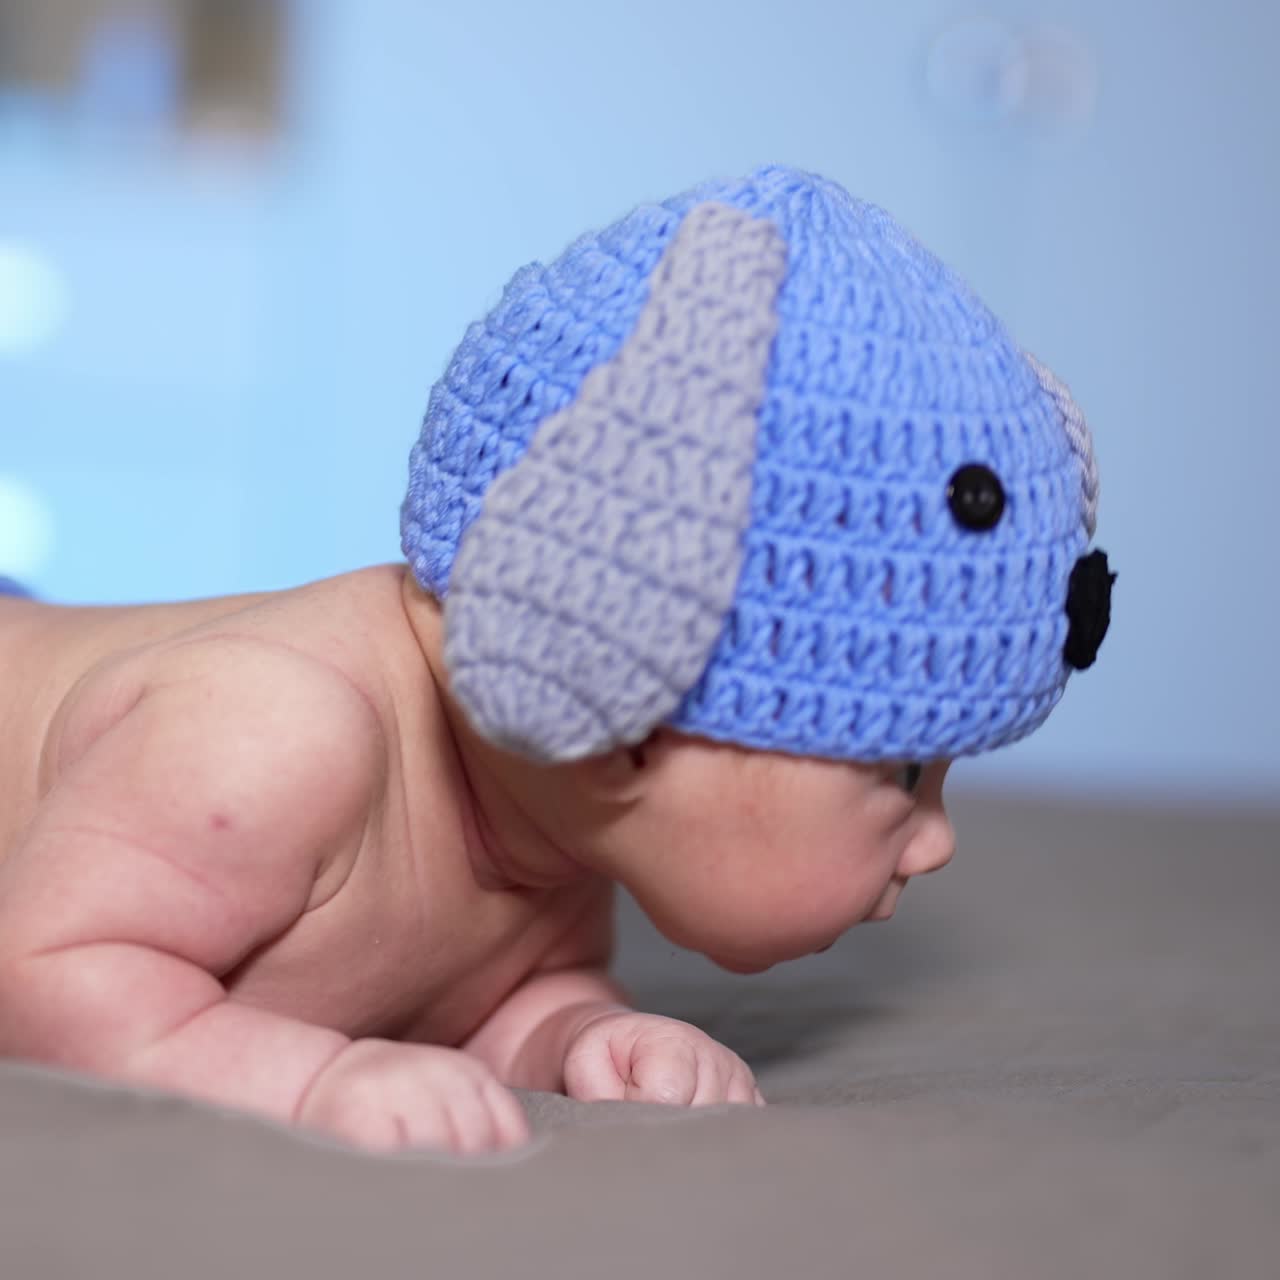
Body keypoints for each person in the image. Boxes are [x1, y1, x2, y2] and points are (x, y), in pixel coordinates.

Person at [0, 166, 1113, 1155]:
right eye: (901, 771)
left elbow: (492, 999)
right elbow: (43, 971)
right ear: (625, 709)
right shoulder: (274, 733)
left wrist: (583, 1033)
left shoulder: (549, 810)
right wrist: (310, 1080)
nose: (938, 838)